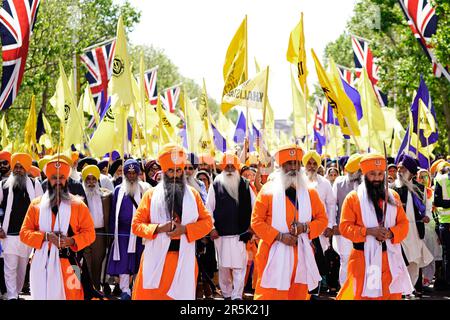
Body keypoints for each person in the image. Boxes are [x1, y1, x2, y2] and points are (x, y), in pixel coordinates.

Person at [131, 144, 213, 299]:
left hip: (183, 260)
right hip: (155, 261)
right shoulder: (150, 195)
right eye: (171, 171)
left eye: (178, 171)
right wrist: (158, 228)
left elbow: (208, 222)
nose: (175, 175)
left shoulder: (193, 195)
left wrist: (185, 229)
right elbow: (136, 225)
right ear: (163, 171)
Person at [251, 144, 328, 300]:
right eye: (289, 164)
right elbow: (256, 222)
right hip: (272, 251)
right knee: (271, 295)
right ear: (281, 166)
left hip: (302, 253)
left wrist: (305, 227)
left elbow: (322, 219)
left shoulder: (311, 192)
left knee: (298, 295)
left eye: (296, 163)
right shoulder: (267, 191)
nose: (293, 167)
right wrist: (280, 237)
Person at [337, 154, 413, 300]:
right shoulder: (353, 198)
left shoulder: (393, 196)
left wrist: (391, 233)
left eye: (380, 174)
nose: (377, 178)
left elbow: (403, 224)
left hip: (391, 259)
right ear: (364, 174)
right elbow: (345, 227)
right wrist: (368, 232)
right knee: (364, 296)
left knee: (391, 295)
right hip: (363, 259)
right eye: (372, 174)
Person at [19, 158, 96, 300]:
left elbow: (90, 234)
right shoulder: (35, 204)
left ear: (66, 180)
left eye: (62, 177)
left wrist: (72, 240)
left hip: (71, 263)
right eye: (54, 177)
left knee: (74, 296)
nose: (58, 181)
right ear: (48, 180)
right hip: (41, 263)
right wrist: (46, 237)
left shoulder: (78, 205)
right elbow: (24, 233)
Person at [206, 152, 256, 300]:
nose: (229, 169)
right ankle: (227, 294)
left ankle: (236, 297)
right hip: (220, 234)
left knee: (239, 266)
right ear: (222, 167)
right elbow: (208, 208)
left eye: (232, 166)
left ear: (236, 167)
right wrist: (212, 228)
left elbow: (255, 208)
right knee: (223, 267)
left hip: (241, 233)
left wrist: (252, 227)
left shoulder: (246, 185)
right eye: (226, 166)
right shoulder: (216, 184)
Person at [0, 153, 43, 300]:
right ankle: (12, 296)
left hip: (28, 236)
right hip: (8, 235)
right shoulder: (2, 185)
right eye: (16, 167)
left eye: (21, 167)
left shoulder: (35, 184)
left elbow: (41, 208)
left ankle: (15, 292)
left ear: (26, 169)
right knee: (10, 268)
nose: (18, 170)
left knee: (21, 270)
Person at [106, 159, 147, 300]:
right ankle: (125, 290)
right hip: (122, 233)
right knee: (123, 261)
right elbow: (113, 213)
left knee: (138, 260)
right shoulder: (118, 190)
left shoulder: (144, 189)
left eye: (134, 172)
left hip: (139, 232)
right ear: (124, 174)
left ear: (138, 173)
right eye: (128, 173)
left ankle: (137, 289)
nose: (131, 175)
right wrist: (112, 232)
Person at [393, 154, 433, 297]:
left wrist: (427, 214)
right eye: (398, 168)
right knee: (400, 261)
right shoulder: (393, 189)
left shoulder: (420, 188)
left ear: (410, 171)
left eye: (402, 168)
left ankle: (409, 290)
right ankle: (401, 290)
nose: (399, 171)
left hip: (416, 231)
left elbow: (427, 205)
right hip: (399, 232)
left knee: (415, 262)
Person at [302, 151, 337, 293]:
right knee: (304, 257)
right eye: (309, 163)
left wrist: (330, 225)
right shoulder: (299, 181)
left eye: (314, 163)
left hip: (320, 227)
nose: (311, 166)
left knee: (319, 257)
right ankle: (304, 287)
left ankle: (317, 287)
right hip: (303, 227)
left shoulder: (325, 183)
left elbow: (331, 205)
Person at [331, 153, 363, 287]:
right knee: (345, 259)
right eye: (348, 170)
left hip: (364, 231)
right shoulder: (339, 182)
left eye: (353, 171)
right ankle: (346, 289)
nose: (350, 173)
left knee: (361, 260)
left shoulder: (368, 183)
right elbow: (332, 205)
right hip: (343, 230)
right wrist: (333, 224)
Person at [81, 165, 113, 292]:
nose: (91, 182)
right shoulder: (79, 196)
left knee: (97, 264)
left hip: (99, 235)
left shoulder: (106, 195)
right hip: (83, 235)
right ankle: (84, 290)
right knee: (85, 264)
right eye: (88, 179)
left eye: (94, 179)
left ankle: (95, 289)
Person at [434, 160, 450, 287]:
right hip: (446, 223)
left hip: (445, 223)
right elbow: (437, 201)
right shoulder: (441, 180)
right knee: (447, 254)